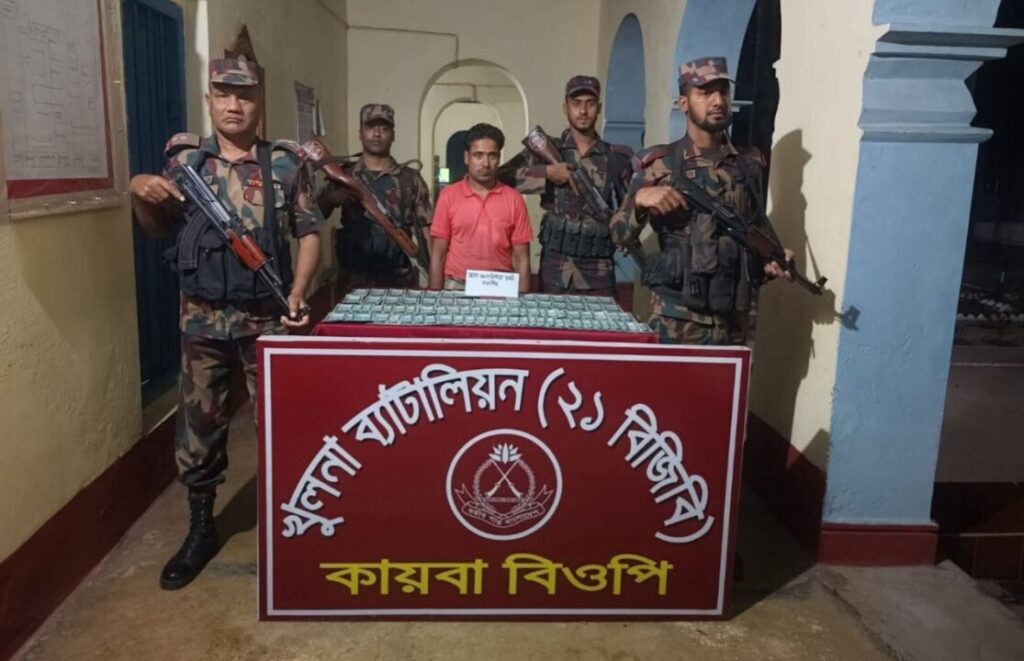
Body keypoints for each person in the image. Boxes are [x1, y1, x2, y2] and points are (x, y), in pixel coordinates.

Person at [128, 57, 322, 589]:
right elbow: (156, 228)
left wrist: (298, 292)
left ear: (260, 102)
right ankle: (200, 528)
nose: (234, 105)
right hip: (202, 320)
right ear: (209, 100)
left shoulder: (284, 164)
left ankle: (291, 524)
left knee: (282, 425)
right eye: (223, 94)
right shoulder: (185, 161)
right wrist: (139, 189)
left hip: (268, 320)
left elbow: (309, 231)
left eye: (245, 95)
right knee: (199, 429)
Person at [610, 57, 794, 344]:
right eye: (705, 93)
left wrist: (772, 258)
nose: (718, 101)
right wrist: (640, 200)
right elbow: (618, 234)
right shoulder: (659, 163)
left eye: (723, 92)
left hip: (736, 318)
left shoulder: (749, 163)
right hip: (677, 317)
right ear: (684, 103)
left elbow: (754, 224)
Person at [499, 75, 633, 297]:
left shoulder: (616, 157)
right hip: (556, 264)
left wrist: (627, 231)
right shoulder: (549, 150)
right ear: (565, 108)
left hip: (598, 267)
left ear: (599, 109)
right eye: (576, 103)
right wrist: (546, 173)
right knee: (552, 319)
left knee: (602, 320)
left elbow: (631, 205)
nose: (583, 111)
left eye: (590, 104)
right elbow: (501, 177)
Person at [317, 104, 432, 293]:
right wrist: (330, 199)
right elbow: (311, 219)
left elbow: (426, 230)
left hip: (399, 281)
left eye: (384, 128)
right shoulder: (344, 176)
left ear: (393, 135)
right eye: (370, 127)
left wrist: (432, 275)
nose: (377, 134)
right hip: (353, 281)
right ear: (360, 133)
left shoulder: (410, 179)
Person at [429, 123, 532, 293]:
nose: (485, 164)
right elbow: (438, 255)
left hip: (501, 286)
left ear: (499, 158)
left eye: (492, 156)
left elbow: (522, 260)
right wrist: (434, 298)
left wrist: (522, 303)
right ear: (466, 157)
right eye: (478, 155)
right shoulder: (448, 197)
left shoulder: (514, 200)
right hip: (457, 286)